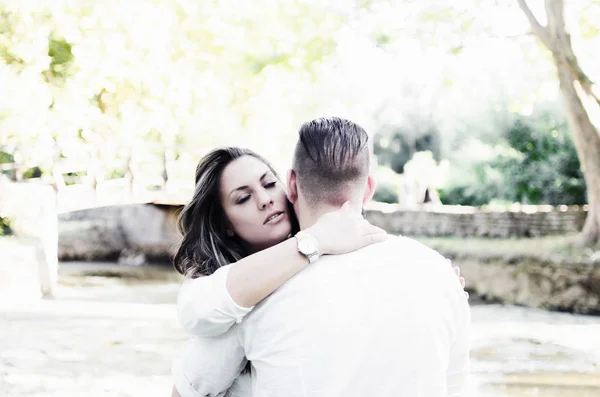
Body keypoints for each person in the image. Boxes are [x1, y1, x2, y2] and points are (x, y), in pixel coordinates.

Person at [171, 117, 470, 397]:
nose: (264, 201)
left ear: (289, 184)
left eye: (268, 183)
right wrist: (312, 241)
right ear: (368, 189)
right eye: (243, 197)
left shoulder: (262, 300)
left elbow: (186, 387)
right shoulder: (433, 272)